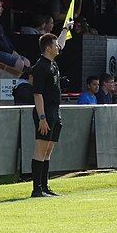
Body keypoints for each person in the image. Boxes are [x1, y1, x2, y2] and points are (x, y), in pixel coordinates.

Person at [30, 23, 73, 198]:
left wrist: (65, 29)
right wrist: (42, 118)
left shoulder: (52, 62)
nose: (58, 47)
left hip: (56, 110)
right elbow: (37, 94)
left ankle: (45, 186)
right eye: (55, 45)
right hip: (45, 112)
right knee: (41, 149)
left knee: (48, 150)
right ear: (48, 48)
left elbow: (61, 43)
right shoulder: (41, 66)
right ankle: (37, 189)